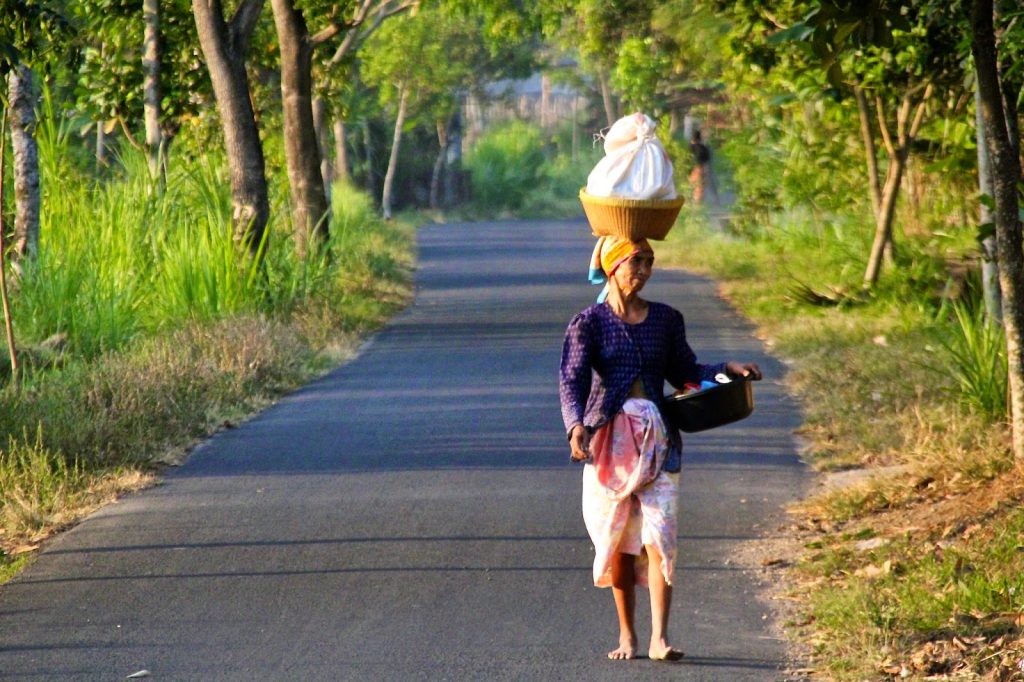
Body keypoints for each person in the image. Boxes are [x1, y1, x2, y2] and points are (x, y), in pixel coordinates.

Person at [559, 235, 761, 661]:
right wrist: (575, 425)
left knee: (660, 535)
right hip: (608, 445)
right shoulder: (588, 324)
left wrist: (726, 369)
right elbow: (572, 380)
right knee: (616, 539)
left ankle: (659, 638)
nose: (645, 271)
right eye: (637, 261)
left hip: (658, 441)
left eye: (649, 262)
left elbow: (686, 371)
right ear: (613, 265)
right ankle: (628, 636)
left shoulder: (666, 320)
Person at [688, 130, 714, 205]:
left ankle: (695, 204)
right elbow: (708, 159)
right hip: (702, 168)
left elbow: (687, 160)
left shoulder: (690, 147)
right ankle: (699, 204)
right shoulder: (704, 148)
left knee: (693, 188)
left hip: (692, 170)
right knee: (700, 188)